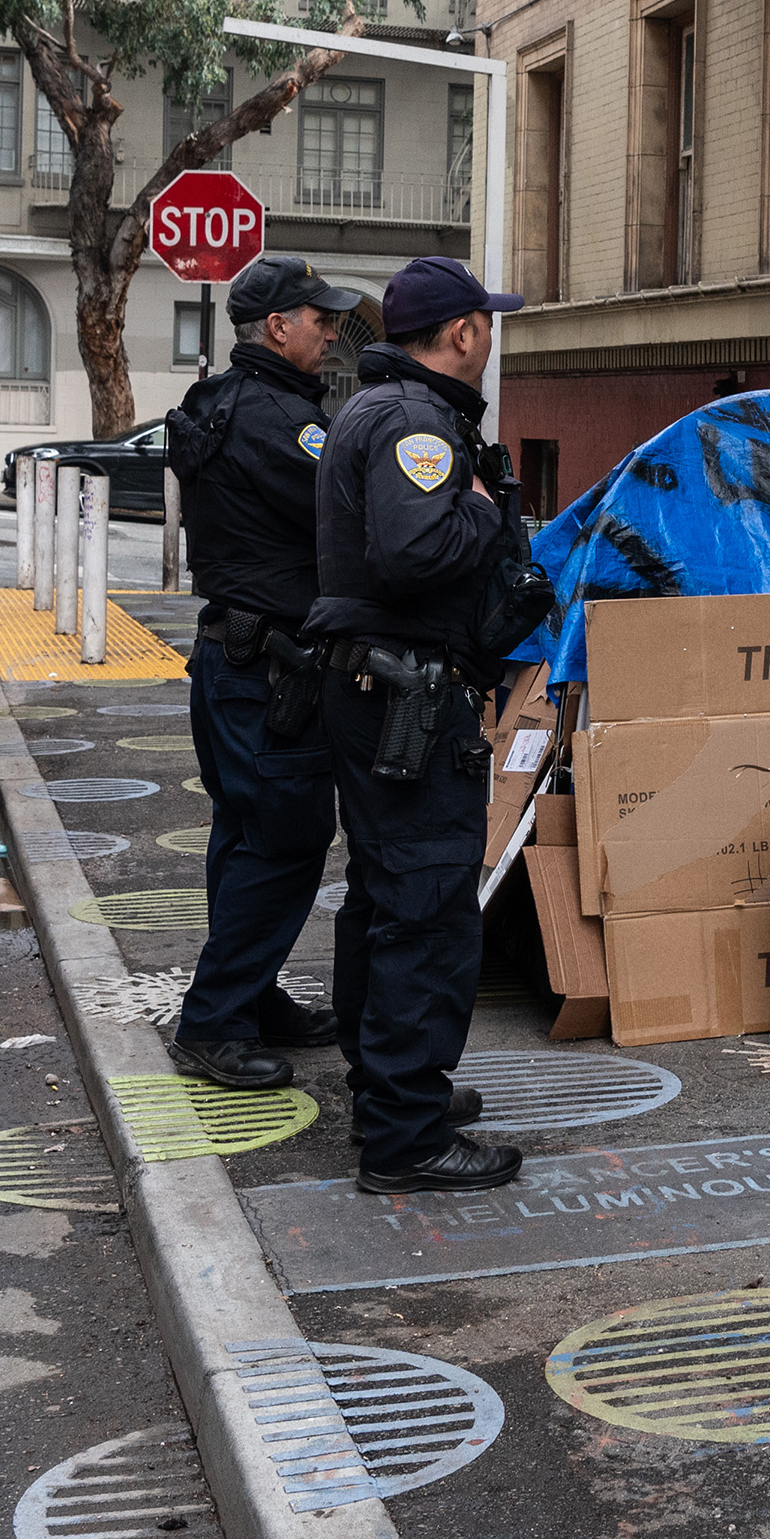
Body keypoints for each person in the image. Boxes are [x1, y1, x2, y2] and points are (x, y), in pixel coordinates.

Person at [304, 255, 535, 1195]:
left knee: (385, 898)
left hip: (383, 691)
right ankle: (404, 1137)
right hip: (408, 698)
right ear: (465, 333)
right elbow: (411, 551)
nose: (491, 338)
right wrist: (481, 518)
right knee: (426, 908)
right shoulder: (413, 422)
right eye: (489, 323)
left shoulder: (377, 409)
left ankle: (390, 1097)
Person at [160, 257, 357, 1091]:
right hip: (275, 667)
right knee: (284, 840)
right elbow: (349, 516)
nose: (333, 331)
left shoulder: (215, 401)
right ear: (278, 327)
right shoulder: (285, 423)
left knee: (243, 834)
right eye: (321, 318)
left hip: (230, 658)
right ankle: (213, 1021)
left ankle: (251, 994)